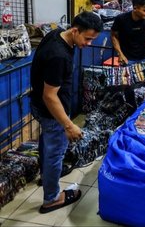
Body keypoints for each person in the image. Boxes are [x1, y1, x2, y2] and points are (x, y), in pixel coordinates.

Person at [30, 11, 103, 214]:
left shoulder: (57, 35)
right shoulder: (58, 55)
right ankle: (51, 199)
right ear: (74, 30)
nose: (88, 44)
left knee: (48, 145)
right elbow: (50, 96)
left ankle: (46, 178)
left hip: (42, 107)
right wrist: (68, 125)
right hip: (52, 111)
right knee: (55, 153)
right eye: (87, 38)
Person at [111, 0, 145, 112]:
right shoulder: (121, 19)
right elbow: (114, 36)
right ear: (135, 8)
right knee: (128, 86)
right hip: (128, 58)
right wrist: (120, 54)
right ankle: (132, 109)